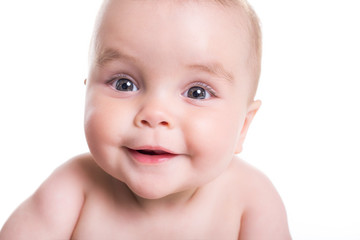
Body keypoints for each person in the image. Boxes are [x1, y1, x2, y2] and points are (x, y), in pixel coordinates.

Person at [0, 0, 291, 239]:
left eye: (197, 92)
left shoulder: (251, 202)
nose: (154, 114)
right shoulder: (71, 190)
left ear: (243, 126)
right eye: (124, 84)